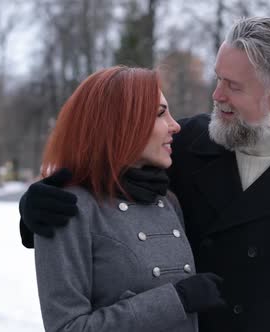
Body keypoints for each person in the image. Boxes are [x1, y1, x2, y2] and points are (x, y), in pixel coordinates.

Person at [21, 17, 270, 331]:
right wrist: (35, 208)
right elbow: (102, 180)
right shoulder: (185, 144)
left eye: (234, 86)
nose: (217, 95)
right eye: (218, 78)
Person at [29, 66, 226, 332]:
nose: (175, 125)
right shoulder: (67, 208)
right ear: (120, 123)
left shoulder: (166, 200)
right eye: (160, 113)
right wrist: (176, 299)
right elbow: (67, 327)